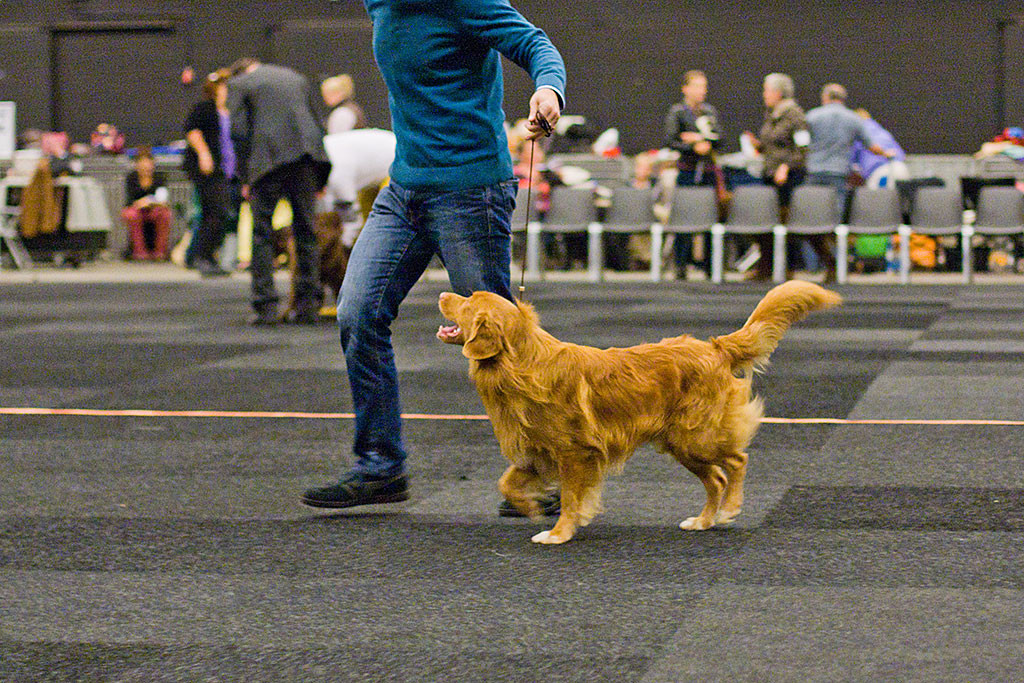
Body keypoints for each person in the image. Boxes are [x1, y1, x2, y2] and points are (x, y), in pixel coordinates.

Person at [301, 0, 565, 512]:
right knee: (358, 313)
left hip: (470, 190)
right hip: (404, 189)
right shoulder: (381, 4)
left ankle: (541, 472)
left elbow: (536, 44)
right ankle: (381, 465)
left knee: (501, 340)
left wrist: (548, 90)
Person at [229, 58, 332, 325]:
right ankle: (308, 305)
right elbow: (316, 122)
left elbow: (238, 132)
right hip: (307, 159)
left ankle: (266, 307)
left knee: (262, 233)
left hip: (268, 162)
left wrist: (244, 175)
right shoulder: (295, 76)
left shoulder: (240, 83)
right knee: (306, 231)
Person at [742, 72, 808, 279]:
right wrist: (759, 146)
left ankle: (789, 269)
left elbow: (803, 147)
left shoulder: (795, 114)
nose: (764, 94)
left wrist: (786, 167)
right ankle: (765, 268)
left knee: (787, 224)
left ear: (778, 92)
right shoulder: (772, 114)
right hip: (770, 176)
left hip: (789, 179)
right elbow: (775, 146)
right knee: (766, 223)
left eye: (766, 90)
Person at [664, 70, 722, 279]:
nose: (701, 91)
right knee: (683, 218)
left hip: (707, 172)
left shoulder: (709, 112)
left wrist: (701, 141)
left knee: (710, 217)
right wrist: (693, 146)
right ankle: (681, 264)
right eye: (696, 86)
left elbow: (719, 138)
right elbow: (671, 140)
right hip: (687, 172)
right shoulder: (678, 112)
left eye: (703, 86)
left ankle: (710, 266)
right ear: (685, 89)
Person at [806, 83, 893, 220]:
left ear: (825, 97)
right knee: (836, 210)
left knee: (812, 210)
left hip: (814, 170)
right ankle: (836, 240)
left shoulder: (812, 116)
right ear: (843, 98)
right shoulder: (854, 118)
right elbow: (871, 146)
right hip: (839, 172)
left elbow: (802, 142)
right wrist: (886, 153)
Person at [182, 70, 234, 277]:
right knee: (214, 213)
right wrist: (204, 154)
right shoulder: (205, 108)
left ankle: (205, 256)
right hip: (208, 171)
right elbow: (192, 130)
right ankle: (202, 257)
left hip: (226, 171)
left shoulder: (230, 111)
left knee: (219, 214)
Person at [321, 127, 397, 248]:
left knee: (390, 219)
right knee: (371, 222)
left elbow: (352, 221)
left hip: (396, 164)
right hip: (383, 159)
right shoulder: (324, 154)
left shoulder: (337, 175)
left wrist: (344, 247)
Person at [121, 147, 171, 261]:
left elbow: (163, 199)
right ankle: (139, 252)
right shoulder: (131, 178)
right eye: (143, 165)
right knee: (131, 214)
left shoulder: (159, 178)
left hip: (155, 210)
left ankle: (160, 252)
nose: (146, 168)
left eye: (148, 165)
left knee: (165, 214)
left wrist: (151, 203)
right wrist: (140, 203)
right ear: (137, 165)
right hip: (138, 211)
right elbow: (129, 201)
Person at [851, 108, 908, 188]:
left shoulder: (859, 134)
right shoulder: (883, 131)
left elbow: (851, 160)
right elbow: (902, 155)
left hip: (879, 173)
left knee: (878, 199)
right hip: (900, 168)